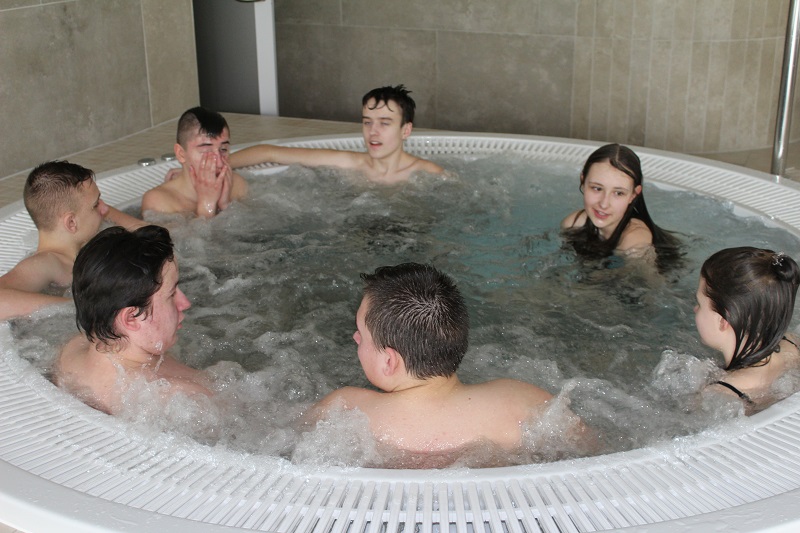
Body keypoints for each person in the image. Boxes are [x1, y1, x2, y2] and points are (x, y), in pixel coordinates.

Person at [306, 262, 555, 466]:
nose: (355, 337)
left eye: (361, 333)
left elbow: (292, 441)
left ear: (389, 361)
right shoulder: (523, 400)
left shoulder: (346, 409)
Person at [54, 225, 212, 414]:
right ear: (131, 318)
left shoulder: (71, 350)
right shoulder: (181, 397)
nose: (185, 303)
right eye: (171, 294)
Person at [0, 161, 144, 321]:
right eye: (96, 204)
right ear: (71, 223)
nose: (105, 209)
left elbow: (147, 231)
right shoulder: (48, 262)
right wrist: (88, 308)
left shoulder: (87, 240)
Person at [229, 85, 445, 184]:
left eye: (384, 123)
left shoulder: (427, 173)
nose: (373, 131)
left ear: (405, 130)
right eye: (367, 122)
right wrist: (218, 165)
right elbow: (269, 153)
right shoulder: (348, 163)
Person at [696, 247, 800, 413]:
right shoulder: (793, 344)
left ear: (723, 320)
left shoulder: (721, 393)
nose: (695, 309)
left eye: (699, 304)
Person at [561, 143, 680, 269]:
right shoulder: (573, 223)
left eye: (618, 193)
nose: (604, 204)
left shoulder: (636, 241)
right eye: (597, 188)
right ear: (583, 181)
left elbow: (643, 281)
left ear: (634, 194)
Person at [142, 107, 248, 218]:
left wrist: (226, 206)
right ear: (181, 154)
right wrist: (206, 205)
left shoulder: (237, 185)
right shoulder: (160, 202)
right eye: (206, 151)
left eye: (223, 149)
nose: (219, 163)